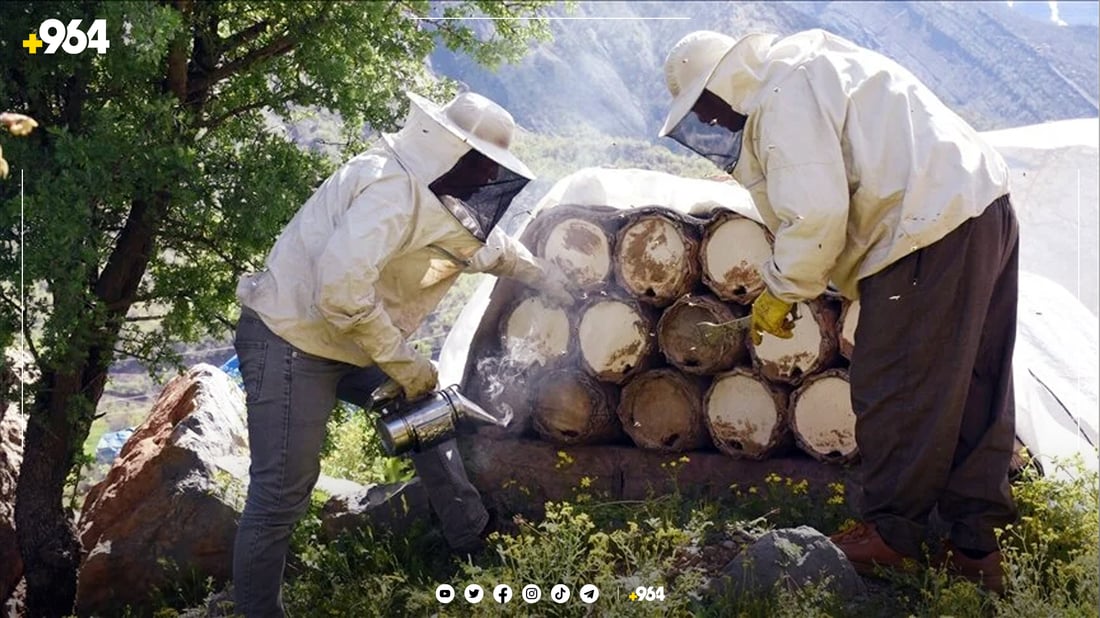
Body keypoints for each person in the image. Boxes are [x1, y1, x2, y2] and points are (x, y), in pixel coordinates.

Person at [658, 30, 1018, 593]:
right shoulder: (811, 63)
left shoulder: (781, 93)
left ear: (721, 86)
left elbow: (816, 214)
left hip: (923, 228)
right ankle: (974, 545)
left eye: (703, 109)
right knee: (974, 382)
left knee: (894, 381)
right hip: (981, 206)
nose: (710, 123)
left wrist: (782, 289)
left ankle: (892, 539)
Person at [231, 90, 570, 617]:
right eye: (482, 163)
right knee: (281, 493)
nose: (486, 178)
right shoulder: (389, 187)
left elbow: (488, 246)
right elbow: (340, 292)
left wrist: (549, 277)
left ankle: (470, 537)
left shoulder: (445, 196)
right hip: (290, 338)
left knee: (427, 411)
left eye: (493, 168)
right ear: (449, 151)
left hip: (350, 337)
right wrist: (407, 365)